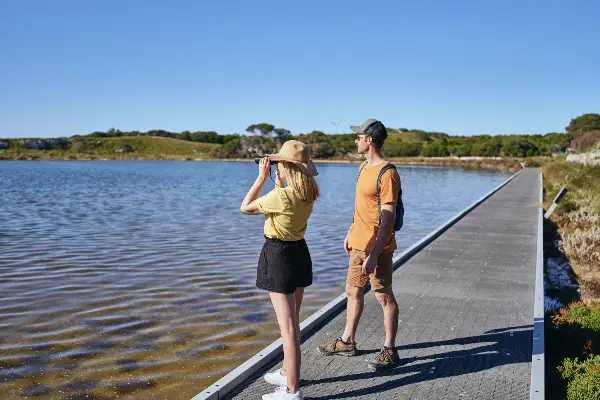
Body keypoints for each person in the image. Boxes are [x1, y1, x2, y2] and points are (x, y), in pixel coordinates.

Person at [317, 119, 401, 371]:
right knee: (353, 290)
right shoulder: (364, 166)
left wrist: (375, 253)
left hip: (379, 247)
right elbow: (362, 208)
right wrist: (350, 231)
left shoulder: (388, 173)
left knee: (383, 296)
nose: (355, 141)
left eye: (359, 137)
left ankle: (389, 349)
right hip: (358, 244)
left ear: (370, 140)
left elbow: (388, 218)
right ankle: (347, 342)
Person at [240, 140, 320, 400]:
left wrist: (262, 178)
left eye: (279, 164)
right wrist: (278, 180)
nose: (275, 168)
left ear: (287, 167)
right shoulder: (309, 192)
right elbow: (286, 198)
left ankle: (292, 390)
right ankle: (288, 372)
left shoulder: (281, 196)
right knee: (293, 322)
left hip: (279, 256)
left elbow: (245, 207)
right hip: (299, 253)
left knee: (288, 328)